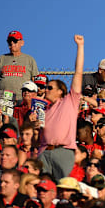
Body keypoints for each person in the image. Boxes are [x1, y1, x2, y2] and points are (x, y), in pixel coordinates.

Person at [38, 34, 85, 180]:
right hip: (44, 152)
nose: (46, 90)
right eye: (45, 87)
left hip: (63, 152)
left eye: (50, 87)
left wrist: (80, 46)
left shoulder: (69, 101)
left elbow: (78, 72)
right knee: (42, 189)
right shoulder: (42, 109)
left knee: (65, 186)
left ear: (60, 91)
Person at [0, 30, 39, 103]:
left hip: (21, 99)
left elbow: (35, 82)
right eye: (9, 41)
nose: (12, 43)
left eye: (15, 41)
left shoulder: (29, 60)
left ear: (22, 43)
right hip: (2, 99)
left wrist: (34, 100)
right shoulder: (1, 59)